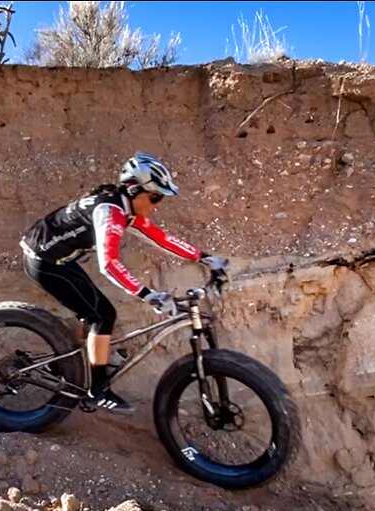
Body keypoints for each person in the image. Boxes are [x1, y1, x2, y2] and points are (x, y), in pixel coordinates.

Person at [19, 152, 229, 415]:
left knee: (91, 309)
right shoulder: (110, 213)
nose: (157, 204)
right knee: (102, 315)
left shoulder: (125, 207)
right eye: (154, 197)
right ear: (133, 189)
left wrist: (207, 258)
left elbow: (161, 239)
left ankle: (68, 365)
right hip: (44, 262)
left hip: (58, 258)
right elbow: (108, 264)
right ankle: (97, 391)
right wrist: (148, 295)